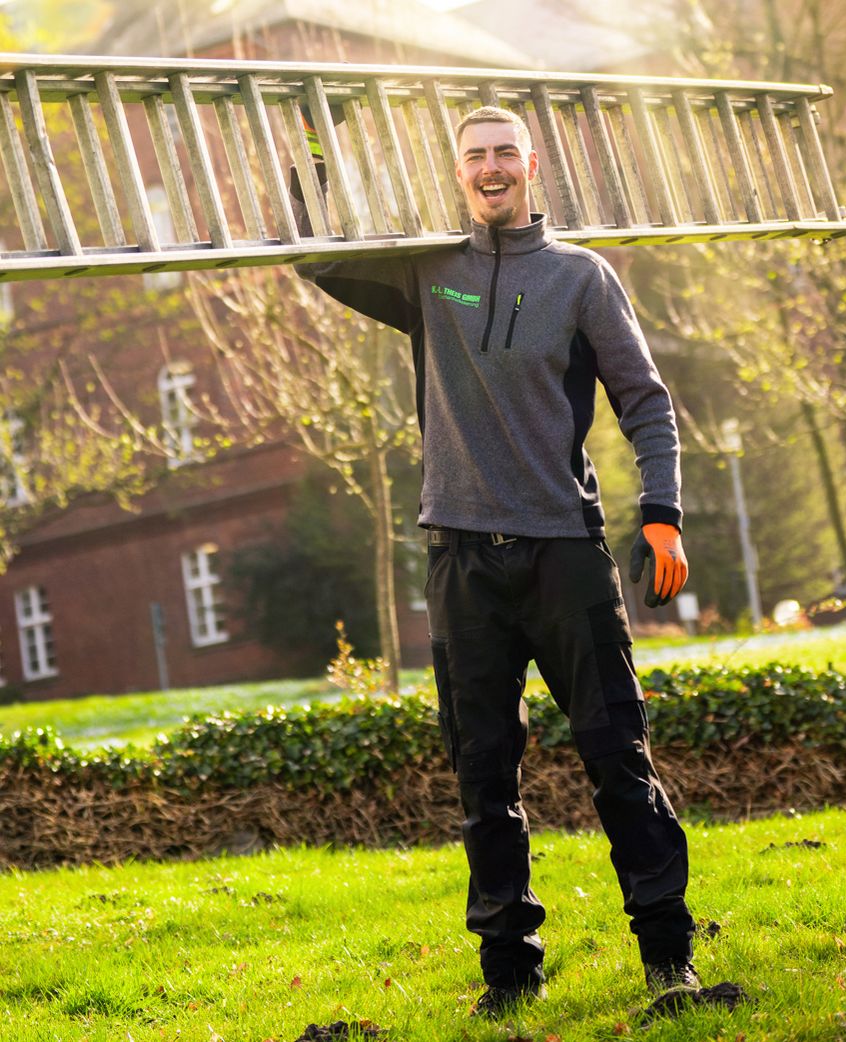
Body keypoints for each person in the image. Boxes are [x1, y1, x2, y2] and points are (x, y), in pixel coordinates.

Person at [292, 105, 701, 1021]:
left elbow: (646, 402)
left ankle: (669, 957)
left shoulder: (581, 278)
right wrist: (316, 159)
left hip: (564, 553)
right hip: (461, 559)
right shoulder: (426, 271)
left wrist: (663, 517)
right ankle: (509, 974)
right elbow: (316, 257)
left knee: (616, 756)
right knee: (483, 771)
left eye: (503, 154)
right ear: (457, 170)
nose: (490, 168)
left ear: (530, 164)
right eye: (474, 155)